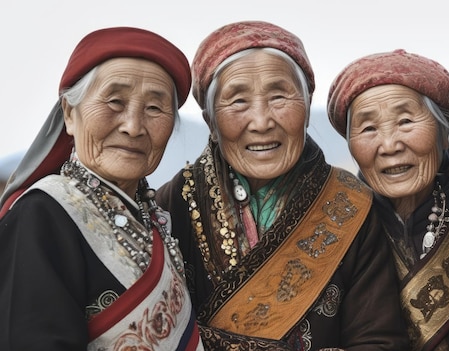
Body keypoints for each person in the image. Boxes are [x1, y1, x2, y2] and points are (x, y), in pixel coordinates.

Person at [156, 20, 409, 350]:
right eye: (238, 102)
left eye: (279, 96)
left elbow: (379, 340)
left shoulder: (350, 203)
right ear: (211, 123)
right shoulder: (174, 203)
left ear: (306, 106)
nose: (262, 122)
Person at [0, 27, 205, 350]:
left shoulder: (159, 218)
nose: (133, 126)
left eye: (154, 108)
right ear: (70, 114)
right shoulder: (42, 214)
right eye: (114, 101)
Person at [327, 49, 449, 350]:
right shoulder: (339, 225)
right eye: (368, 128)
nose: (389, 145)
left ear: (444, 133)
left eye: (405, 122)